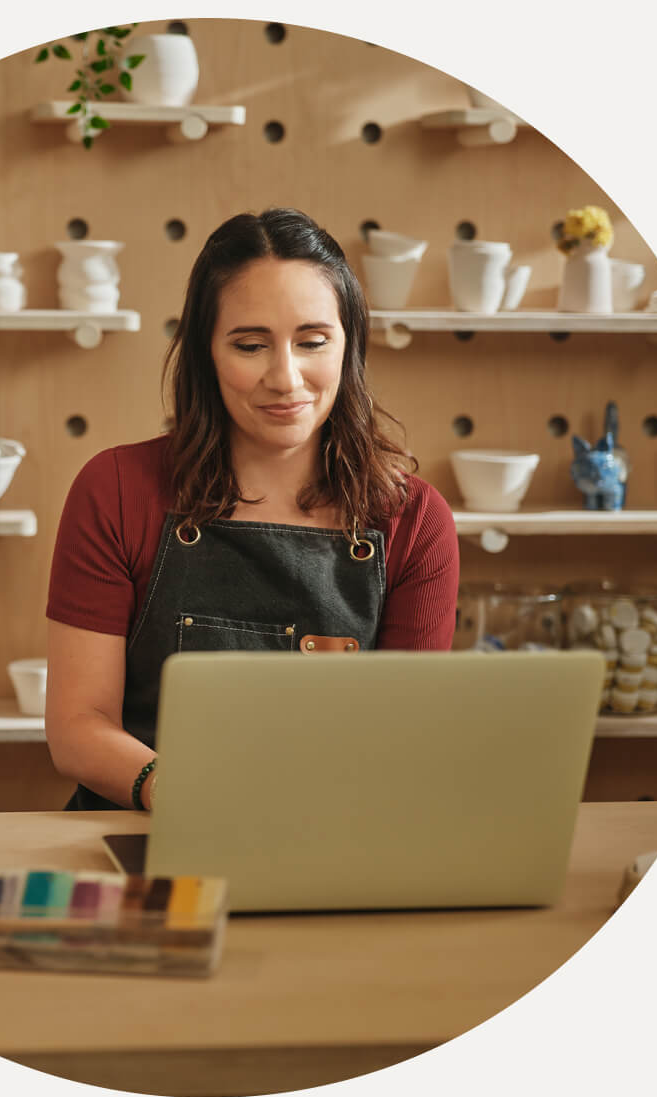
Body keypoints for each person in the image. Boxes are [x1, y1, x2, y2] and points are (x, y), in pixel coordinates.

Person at [44, 207, 459, 812]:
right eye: (249, 345)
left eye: (313, 342)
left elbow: (405, 742)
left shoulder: (414, 521)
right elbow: (79, 728)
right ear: (206, 354)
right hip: (149, 831)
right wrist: (181, 792)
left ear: (349, 347)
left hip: (331, 839)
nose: (285, 378)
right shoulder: (114, 489)